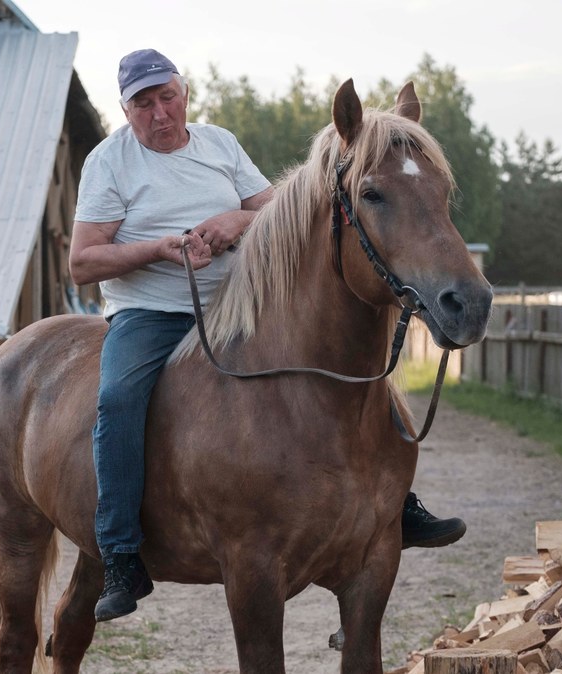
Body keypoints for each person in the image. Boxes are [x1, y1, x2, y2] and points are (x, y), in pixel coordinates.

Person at [68, 49, 465, 624]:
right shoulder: (109, 162)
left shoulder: (218, 145)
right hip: (152, 311)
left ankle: (395, 506)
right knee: (118, 398)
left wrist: (235, 222)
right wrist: (159, 248)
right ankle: (121, 552)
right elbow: (83, 262)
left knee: (364, 382)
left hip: (240, 303)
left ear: (185, 93)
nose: (160, 112)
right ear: (126, 110)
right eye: (144, 103)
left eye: (168, 96)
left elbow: (279, 206)